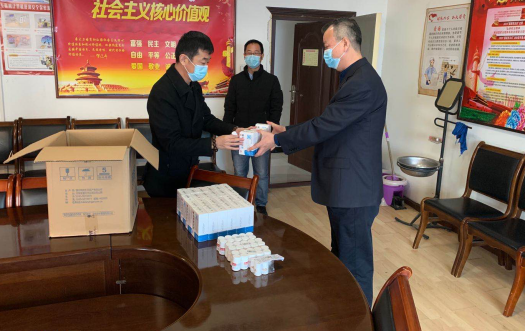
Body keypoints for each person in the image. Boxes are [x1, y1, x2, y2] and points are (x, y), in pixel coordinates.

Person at [249, 18, 387, 306]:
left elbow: (325, 125)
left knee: (355, 264)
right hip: (346, 187)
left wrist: (277, 140)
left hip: (354, 189)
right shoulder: (353, 77)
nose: (325, 52)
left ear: (344, 43)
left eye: (327, 46)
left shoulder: (362, 82)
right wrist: (287, 131)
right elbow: (330, 123)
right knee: (343, 256)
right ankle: (342, 311)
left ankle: (360, 318)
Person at [144, 31, 243, 198]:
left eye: (207, 62)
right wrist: (214, 143)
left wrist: (234, 129)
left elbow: (206, 119)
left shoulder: (194, 86)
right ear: (184, 59)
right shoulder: (162, 93)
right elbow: (172, 143)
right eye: (202, 62)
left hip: (189, 170)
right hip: (166, 176)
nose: (205, 67)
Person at [223, 39, 283, 215]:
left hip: (261, 135)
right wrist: (229, 129)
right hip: (240, 133)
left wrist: (269, 131)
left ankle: (261, 204)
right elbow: (229, 107)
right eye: (249, 52)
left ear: (262, 56)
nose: (252, 56)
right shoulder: (236, 80)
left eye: (256, 53)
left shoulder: (271, 80)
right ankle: (240, 204)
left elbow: (276, 107)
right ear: (244, 55)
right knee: (239, 171)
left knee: (261, 172)